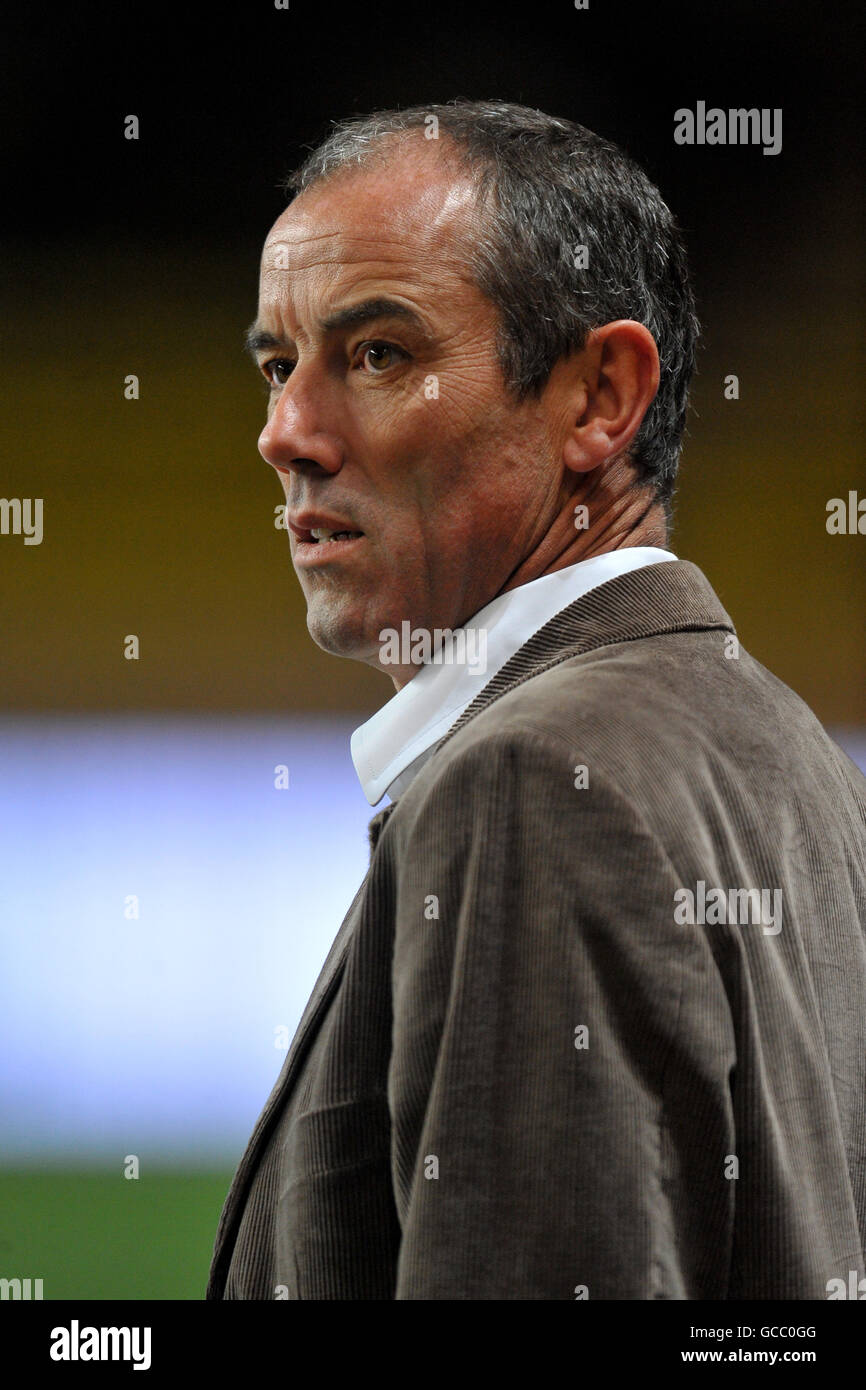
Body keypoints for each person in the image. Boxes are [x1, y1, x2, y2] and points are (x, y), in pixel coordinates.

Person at [207, 100, 866, 1300]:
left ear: (598, 398)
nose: (284, 433)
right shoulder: (785, 751)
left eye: (376, 354)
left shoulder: (533, 783)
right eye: (276, 366)